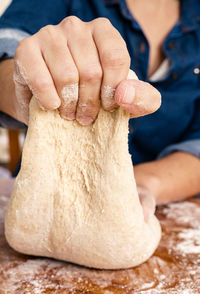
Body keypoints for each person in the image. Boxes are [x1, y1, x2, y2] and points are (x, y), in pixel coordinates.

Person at [0, 0, 199, 221]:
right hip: (42, 202)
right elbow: (8, 45)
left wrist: (143, 183)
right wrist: (24, 89)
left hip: (159, 212)